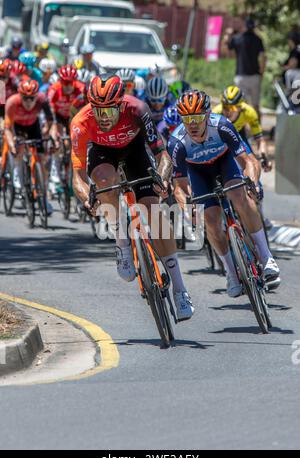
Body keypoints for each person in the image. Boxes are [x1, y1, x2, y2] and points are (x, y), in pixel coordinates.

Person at [70, 74, 194, 320]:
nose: (103, 117)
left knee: (154, 214)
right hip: (102, 153)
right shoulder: (80, 122)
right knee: (104, 184)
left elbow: (162, 155)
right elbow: (78, 177)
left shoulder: (137, 109)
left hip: (135, 149)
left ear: (120, 104)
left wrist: (162, 178)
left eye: (109, 110)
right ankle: (122, 242)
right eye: (98, 110)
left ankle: (180, 289)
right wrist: (87, 198)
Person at [168, 90, 280, 298]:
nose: (192, 124)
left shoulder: (222, 126)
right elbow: (180, 188)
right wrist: (188, 210)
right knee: (210, 220)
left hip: (225, 162)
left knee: (240, 197)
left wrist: (253, 183)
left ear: (207, 115)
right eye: (186, 119)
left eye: (197, 117)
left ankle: (266, 257)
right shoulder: (177, 142)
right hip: (198, 172)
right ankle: (230, 272)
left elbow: (248, 161)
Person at [3, 79, 59, 213]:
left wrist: (47, 132)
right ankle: (18, 176)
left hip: (34, 127)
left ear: (36, 96)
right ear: (20, 96)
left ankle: (43, 195)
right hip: (17, 127)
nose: (28, 102)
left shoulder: (42, 100)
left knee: (41, 159)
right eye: (25, 98)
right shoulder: (12, 102)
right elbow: (7, 128)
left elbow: (51, 121)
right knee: (18, 150)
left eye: (31, 98)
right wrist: (11, 145)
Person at [213, 85, 272, 171]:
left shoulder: (249, 112)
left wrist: (264, 157)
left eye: (232, 107)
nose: (228, 111)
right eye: (225, 107)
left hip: (239, 133)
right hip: (221, 137)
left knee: (252, 163)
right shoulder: (216, 113)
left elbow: (259, 139)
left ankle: (256, 184)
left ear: (240, 107)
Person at [225, 17, 266, 115]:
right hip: (255, 75)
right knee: (256, 105)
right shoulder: (258, 39)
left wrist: (227, 36)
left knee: (242, 105)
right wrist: (262, 72)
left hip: (241, 76)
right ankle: (258, 128)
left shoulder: (238, 38)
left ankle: (243, 129)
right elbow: (263, 57)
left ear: (245, 26)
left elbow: (228, 52)